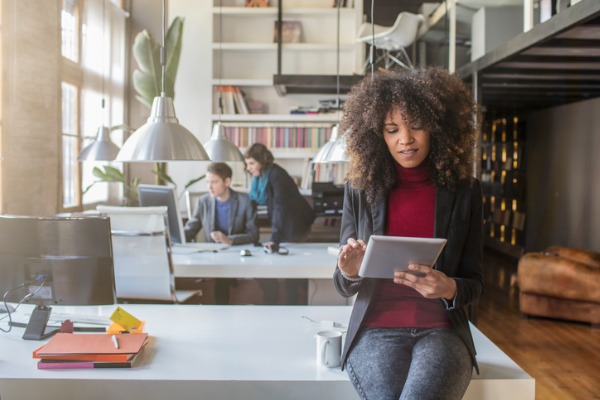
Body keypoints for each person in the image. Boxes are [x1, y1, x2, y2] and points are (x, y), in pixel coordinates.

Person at [334, 67, 484, 400]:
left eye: (417, 125)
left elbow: (475, 282)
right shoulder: (359, 191)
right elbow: (342, 282)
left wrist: (449, 287)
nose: (405, 139)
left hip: (442, 332)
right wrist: (350, 270)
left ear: (437, 128)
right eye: (392, 129)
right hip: (375, 331)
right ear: (377, 135)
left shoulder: (465, 192)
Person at [244, 143, 316, 304]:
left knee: (292, 270)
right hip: (286, 221)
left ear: (262, 161)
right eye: (247, 164)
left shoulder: (276, 175)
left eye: (251, 163)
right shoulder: (263, 176)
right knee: (289, 267)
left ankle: (294, 305)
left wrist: (274, 238)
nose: (248, 168)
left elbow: (279, 207)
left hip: (296, 223)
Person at [184, 162, 258, 304]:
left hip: (236, 254)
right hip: (213, 256)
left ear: (227, 182)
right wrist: (173, 238)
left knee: (221, 280)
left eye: (214, 182)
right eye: (207, 182)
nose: (209, 187)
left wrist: (230, 240)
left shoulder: (245, 201)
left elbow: (254, 234)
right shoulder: (203, 201)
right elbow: (191, 228)